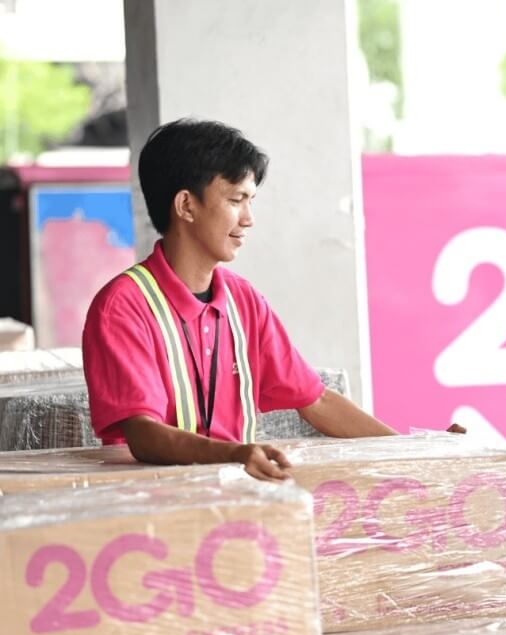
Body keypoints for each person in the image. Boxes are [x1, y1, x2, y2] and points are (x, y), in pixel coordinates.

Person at [82, 118, 461, 481]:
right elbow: (143, 434)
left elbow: (317, 402)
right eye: (236, 199)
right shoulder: (123, 306)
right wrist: (233, 453)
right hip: (159, 520)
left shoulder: (243, 301)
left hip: (238, 506)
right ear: (186, 206)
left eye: (251, 201)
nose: (249, 218)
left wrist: (414, 453)